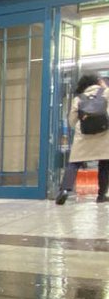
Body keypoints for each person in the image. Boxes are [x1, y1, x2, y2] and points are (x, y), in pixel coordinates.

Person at [55, 73, 109, 205]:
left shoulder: (78, 98)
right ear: (97, 81)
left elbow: (72, 119)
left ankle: (64, 190)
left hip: (83, 135)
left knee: (74, 163)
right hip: (104, 134)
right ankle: (101, 195)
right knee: (105, 164)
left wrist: (80, 129)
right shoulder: (106, 92)